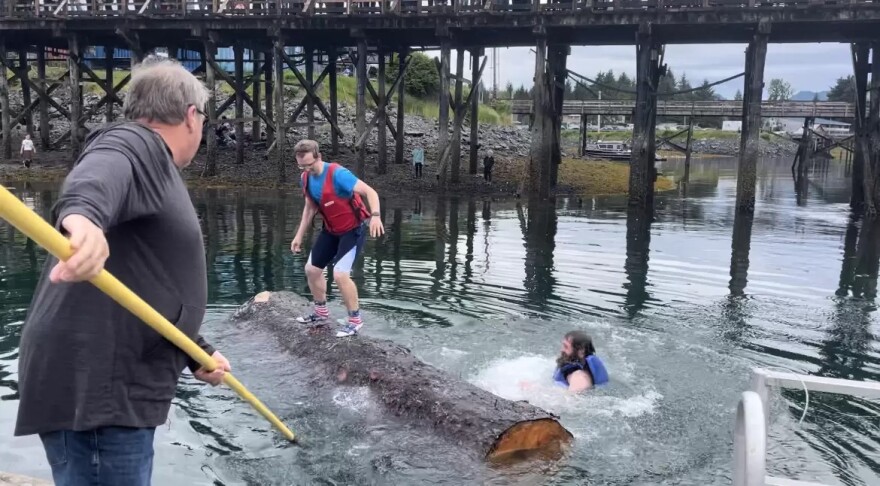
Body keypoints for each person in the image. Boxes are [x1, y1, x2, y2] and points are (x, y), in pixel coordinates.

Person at [14, 56, 231, 486]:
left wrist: (194, 351)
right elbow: (100, 172)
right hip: (100, 393)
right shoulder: (136, 144)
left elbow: (147, 281)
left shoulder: (154, 165)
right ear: (191, 116)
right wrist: (84, 218)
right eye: (203, 119)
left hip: (108, 387)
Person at [291, 139, 384, 337]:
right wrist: (299, 235)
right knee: (312, 269)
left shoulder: (338, 174)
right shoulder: (305, 178)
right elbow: (310, 208)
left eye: (309, 164)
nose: (307, 169)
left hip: (352, 230)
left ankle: (355, 320)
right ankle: (321, 312)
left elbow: (370, 192)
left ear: (319, 157)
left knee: (340, 274)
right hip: (331, 230)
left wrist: (375, 216)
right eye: (302, 166)